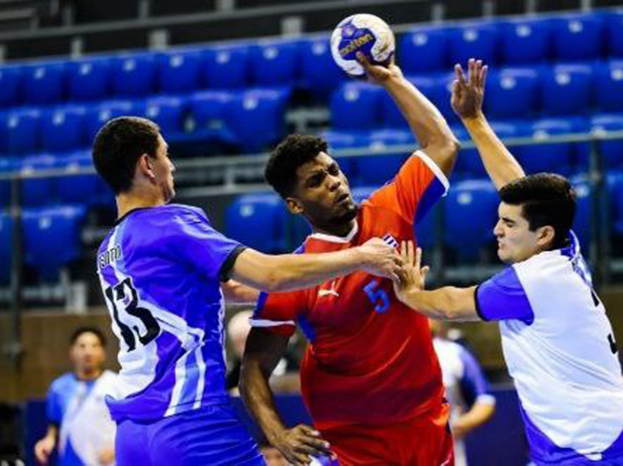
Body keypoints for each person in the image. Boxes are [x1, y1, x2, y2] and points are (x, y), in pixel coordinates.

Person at [91, 116, 401, 465]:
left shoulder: (109, 249)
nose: (171, 165)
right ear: (147, 165)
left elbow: (217, 290)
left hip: (132, 435)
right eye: (166, 154)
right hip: (190, 422)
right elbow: (269, 275)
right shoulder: (171, 222)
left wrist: (317, 292)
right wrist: (360, 257)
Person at [392, 59, 623, 465]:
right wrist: (473, 119)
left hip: (588, 448)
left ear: (541, 234)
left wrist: (410, 293)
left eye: (508, 224)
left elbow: (452, 305)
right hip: (585, 437)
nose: (496, 230)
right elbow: (516, 189)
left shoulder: (532, 279)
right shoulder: (565, 247)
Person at [240, 54, 460, 465]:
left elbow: (442, 145)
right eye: (316, 182)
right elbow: (253, 367)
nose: (335, 184)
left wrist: (393, 79)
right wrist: (278, 435)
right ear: (294, 205)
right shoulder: (297, 274)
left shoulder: (392, 208)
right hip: (352, 442)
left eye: (333, 171)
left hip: (427, 424)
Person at [34, 327, 117, 466]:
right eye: (82, 346)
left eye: (94, 346)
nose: (88, 352)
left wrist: (117, 448)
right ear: (72, 352)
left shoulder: (116, 384)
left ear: (103, 353)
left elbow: (130, 426)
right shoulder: (58, 387)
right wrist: (47, 442)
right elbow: (54, 426)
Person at [430, 320, 495, 466]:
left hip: (448, 452)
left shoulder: (452, 353)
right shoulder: (388, 355)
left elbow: (485, 400)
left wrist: (457, 426)